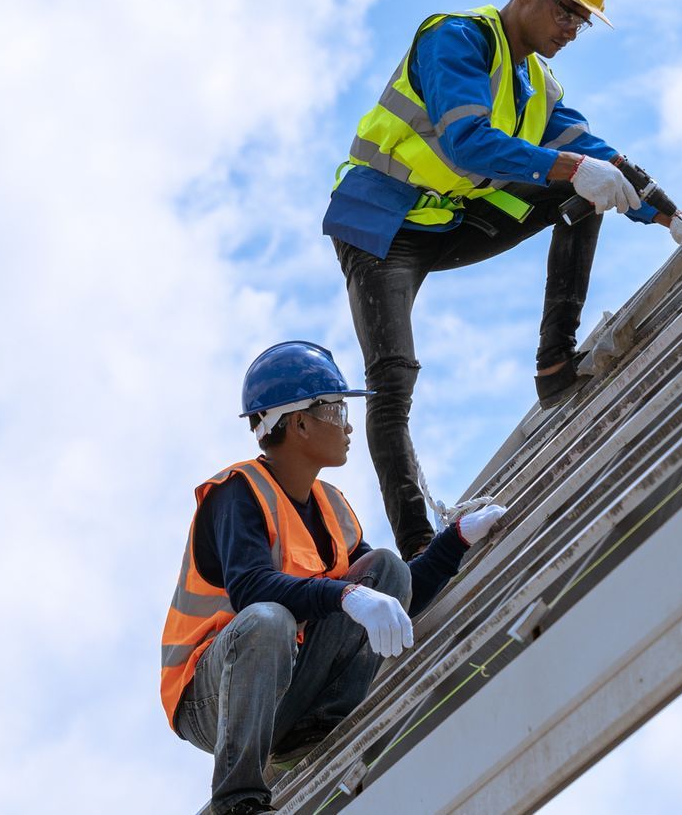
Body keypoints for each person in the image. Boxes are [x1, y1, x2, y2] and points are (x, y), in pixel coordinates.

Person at [323, 0, 682, 559]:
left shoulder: (535, 84)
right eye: (566, 11)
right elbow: (466, 142)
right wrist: (570, 168)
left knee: (588, 186)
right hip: (381, 226)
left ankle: (554, 364)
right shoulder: (456, 39)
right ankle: (422, 552)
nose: (573, 29)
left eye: (582, 19)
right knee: (391, 381)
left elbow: (597, 153)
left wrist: (667, 212)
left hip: (447, 221)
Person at [160, 341, 509, 815]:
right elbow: (251, 589)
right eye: (337, 409)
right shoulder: (236, 493)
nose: (348, 425)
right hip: (211, 698)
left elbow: (396, 593)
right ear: (299, 422)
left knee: (383, 568)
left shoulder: (332, 506)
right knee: (268, 619)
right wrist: (347, 596)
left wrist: (458, 540)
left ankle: (314, 732)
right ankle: (237, 800)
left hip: (283, 686)